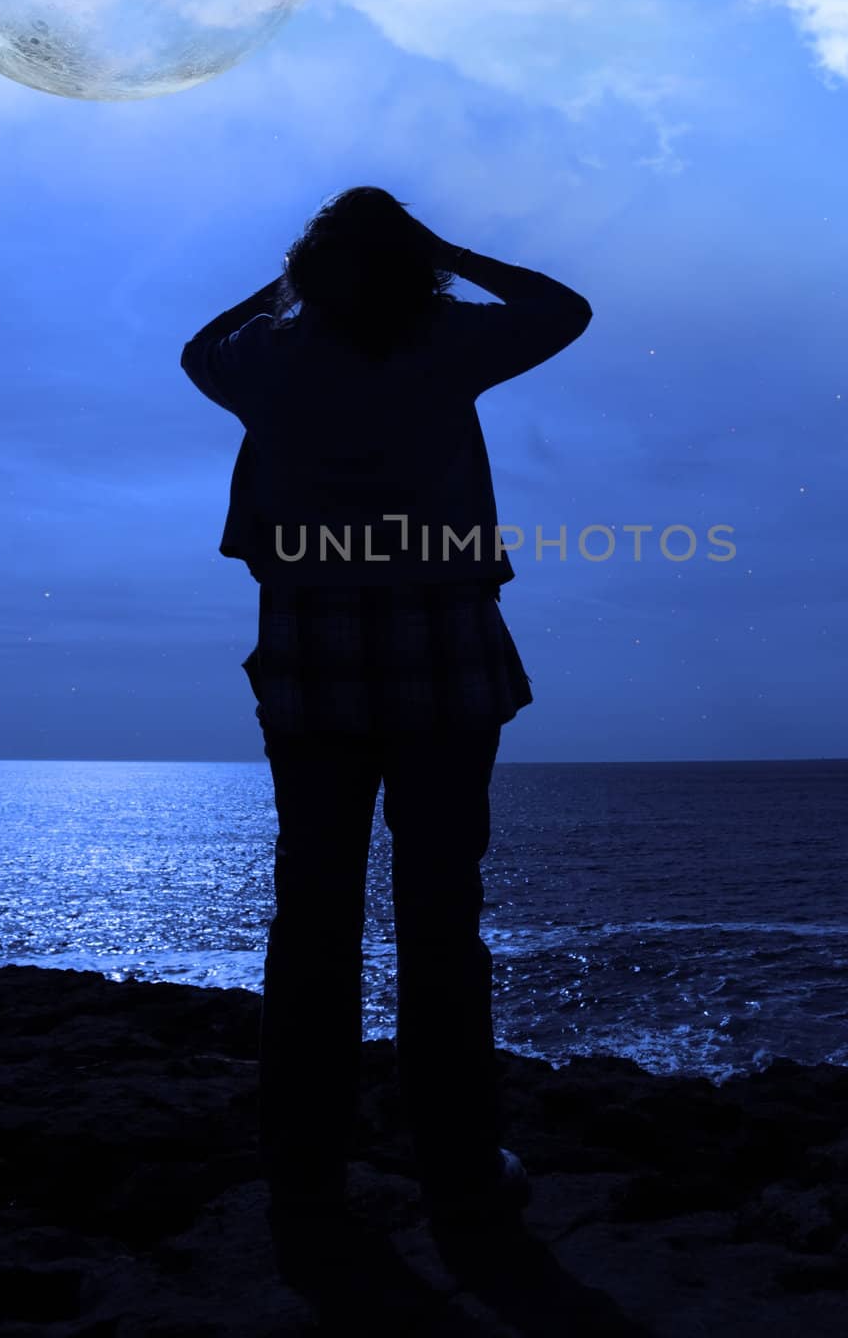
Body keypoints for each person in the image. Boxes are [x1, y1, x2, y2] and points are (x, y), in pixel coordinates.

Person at [179, 186, 592, 1273]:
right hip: (440, 643)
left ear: (307, 272)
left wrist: (289, 288)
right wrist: (446, 251)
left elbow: (194, 348)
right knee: (441, 918)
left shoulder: (268, 354)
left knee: (310, 916)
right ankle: (458, 1174)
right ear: (417, 267)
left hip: (310, 650)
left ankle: (304, 1177)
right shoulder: (450, 336)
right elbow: (563, 308)